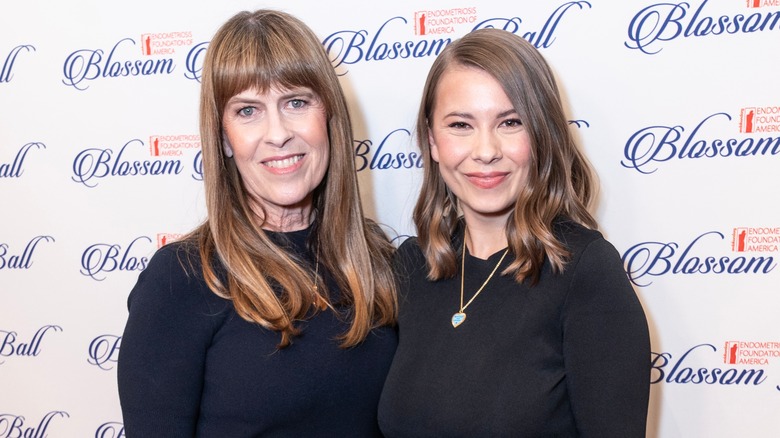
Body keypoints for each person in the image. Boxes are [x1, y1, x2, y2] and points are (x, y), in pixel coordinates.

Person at [118, 10, 397, 437]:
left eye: (297, 102)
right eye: (248, 111)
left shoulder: (383, 263)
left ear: (329, 118)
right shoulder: (182, 280)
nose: (278, 133)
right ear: (224, 137)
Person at [378, 29, 650, 437]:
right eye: (460, 125)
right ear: (432, 141)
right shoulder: (412, 265)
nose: (486, 150)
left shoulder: (585, 271)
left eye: (510, 122)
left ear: (541, 136)